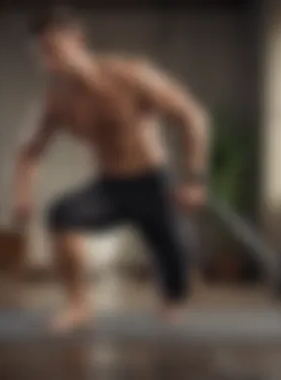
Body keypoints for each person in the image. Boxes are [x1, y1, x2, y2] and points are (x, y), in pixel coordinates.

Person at [13, 7, 210, 332]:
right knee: (62, 214)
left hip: (153, 183)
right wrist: (22, 195)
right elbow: (28, 153)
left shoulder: (132, 75)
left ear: (77, 41)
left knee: (177, 268)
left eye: (53, 50)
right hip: (110, 187)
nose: (49, 62)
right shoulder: (56, 101)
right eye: (41, 55)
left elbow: (193, 117)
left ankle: (171, 298)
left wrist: (194, 179)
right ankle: (79, 305)